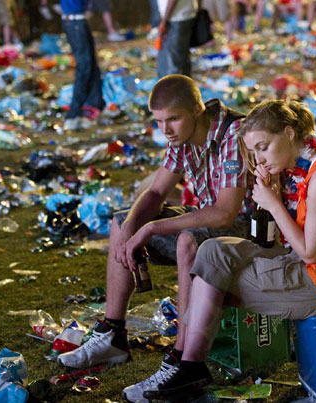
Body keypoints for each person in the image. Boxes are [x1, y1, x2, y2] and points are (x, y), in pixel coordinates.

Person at [136, 99, 316, 400]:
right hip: (305, 265)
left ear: (289, 133)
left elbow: (310, 253)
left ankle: (187, 365)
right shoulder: (296, 172)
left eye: (263, 147)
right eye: (252, 152)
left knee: (211, 279)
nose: (259, 159)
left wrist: (274, 204)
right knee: (212, 251)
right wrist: (274, 195)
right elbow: (277, 242)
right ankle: (190, 365)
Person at [57, 74, 252, 401]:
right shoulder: (180, 136)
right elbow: (158, 190)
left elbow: (225, 213)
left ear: (197, 109)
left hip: (248, 230)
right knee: (123, 221)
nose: (166, 129)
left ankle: (182, 361)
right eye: (159, 121)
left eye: (173, 119)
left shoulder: (234, 133)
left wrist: (150, 229)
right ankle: (113, 335)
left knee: (188, 239)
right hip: (209, 219)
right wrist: (133, 226)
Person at [60, 0, 104, 131]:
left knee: (92, 65)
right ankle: (73, 114)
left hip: (77, 20)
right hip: (75, 21)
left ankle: (95, 106)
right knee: (84, 67)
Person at [156, 0, 197, 78]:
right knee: (181, 60)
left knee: (173, 64)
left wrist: (164, 21)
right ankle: (185, 88)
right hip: (181, 15)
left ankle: (175, 88)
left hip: (177, 17)